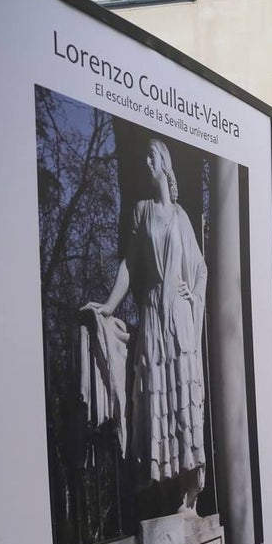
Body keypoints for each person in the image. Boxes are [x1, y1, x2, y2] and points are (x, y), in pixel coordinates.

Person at [84, 138, 208, 516]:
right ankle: (161, 491)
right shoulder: (142, 211)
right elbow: (129, 265)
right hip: (153, 315)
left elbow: (200, 269)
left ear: (164, 163)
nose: (146, 162)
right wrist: (108, 305)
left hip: (180, 320)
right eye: (145, 157)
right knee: (155, 394)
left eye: (151, 156)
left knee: (184, 400)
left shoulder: (183, 217)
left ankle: (190, 494)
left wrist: (191, 295)